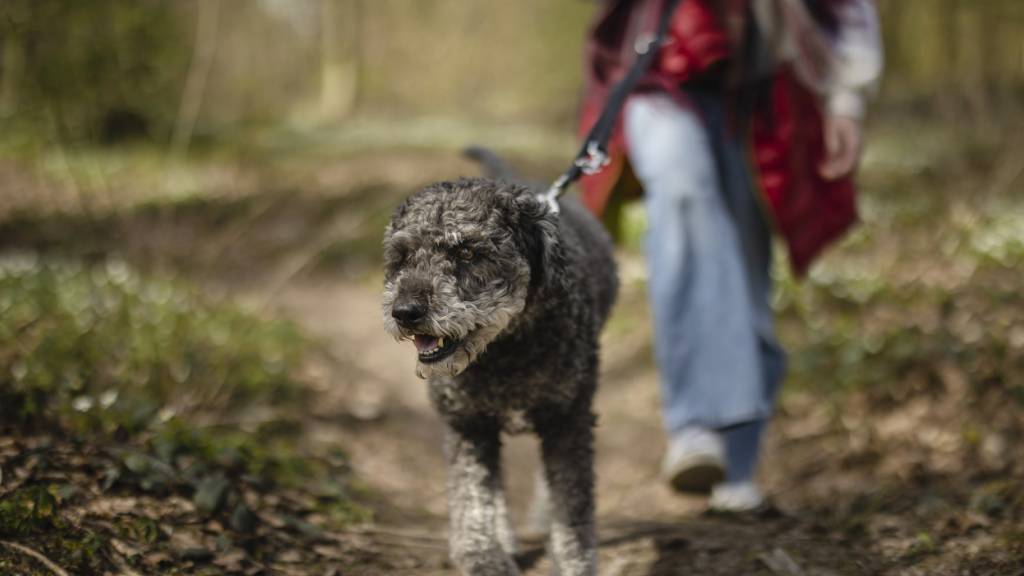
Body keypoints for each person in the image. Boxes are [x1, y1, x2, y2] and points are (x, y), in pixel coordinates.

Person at [578, 0, 883, 511]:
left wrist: (844, 100)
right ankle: (695, 426)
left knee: (743, 269)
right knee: (683, 199)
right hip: (658, 77)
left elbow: (847, 9)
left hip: (763, 90)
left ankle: (736, 467)